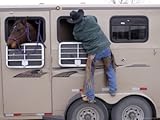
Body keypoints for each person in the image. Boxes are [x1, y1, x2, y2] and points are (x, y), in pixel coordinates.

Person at [67, 9, 117, 103]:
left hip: (94, 53)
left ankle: (90, 97)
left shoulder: (76, 31)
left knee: (90, 74)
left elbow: (77, 38)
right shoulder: (90, 19)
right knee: (110, 68)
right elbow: (95, 19)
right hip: (105, 48)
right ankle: (113, 90)